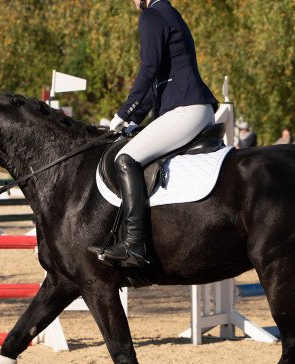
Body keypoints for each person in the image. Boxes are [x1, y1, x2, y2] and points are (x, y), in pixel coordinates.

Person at [91, 0, 218, 267]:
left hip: (185, 109)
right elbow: (159, 80)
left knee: (125, 159)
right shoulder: (170, 13)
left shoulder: (151, 15)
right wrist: (133, 119)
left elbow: (148, 70)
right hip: (194, 107)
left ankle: (134, 244)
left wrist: (123, 112)